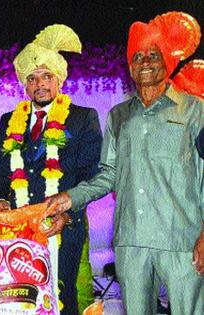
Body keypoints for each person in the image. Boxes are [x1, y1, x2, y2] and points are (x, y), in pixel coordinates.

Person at [48, 12, 204, 315]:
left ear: (166, 62)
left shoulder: (196, 110)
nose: (145, 62)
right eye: (137, 56)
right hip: (132, 243)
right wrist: (69, 198)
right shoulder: (118, 116)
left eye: (153, 55)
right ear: (130, 67)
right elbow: (109, 174)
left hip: (183, 242)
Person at [0, 24, 102, 314]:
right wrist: (1, 200)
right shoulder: (8, 121)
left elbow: (91, 175)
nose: (40, 84)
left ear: (59, 80)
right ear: (25, 85)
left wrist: (67, 213)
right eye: (33, 78)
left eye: (47, 76)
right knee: (21, 299)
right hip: (18, 230)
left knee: (61, 298)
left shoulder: (83, 118)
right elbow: (0, 173)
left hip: (63, 225)